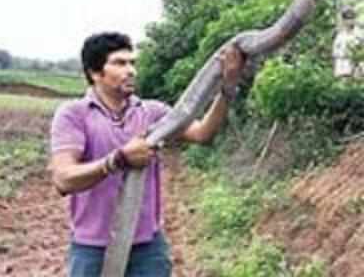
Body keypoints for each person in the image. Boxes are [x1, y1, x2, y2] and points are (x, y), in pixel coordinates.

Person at [50, 32, 245, 277]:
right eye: (120, 63)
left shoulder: (152, 112)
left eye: (132, 63)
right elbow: (64, 178)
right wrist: (117, 160)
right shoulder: (74, 114)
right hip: (93, 248)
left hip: (147, 248)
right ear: (95, 72)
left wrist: (227, 87)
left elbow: (202, 133)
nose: (131, 70)